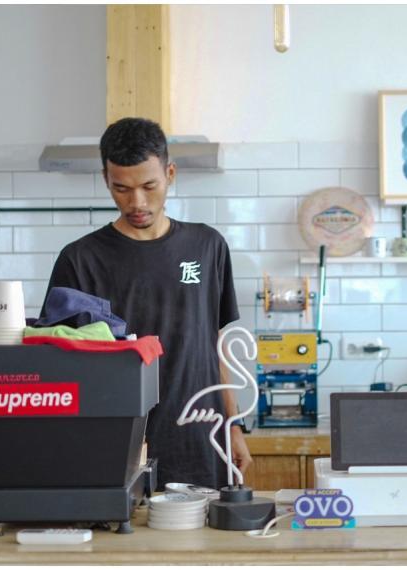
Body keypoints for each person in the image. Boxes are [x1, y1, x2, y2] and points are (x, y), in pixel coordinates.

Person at [40, 117, 252, 489]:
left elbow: (214, 345)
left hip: (200, 439)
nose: (136, 202)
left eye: (148, 186)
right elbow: (62, 368)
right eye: (121, 188)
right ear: (106, 180)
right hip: (114, 446)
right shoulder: (80, 260)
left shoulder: (207, 247)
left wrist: (233, 427)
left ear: (170, 173)